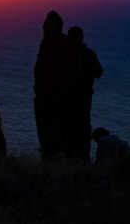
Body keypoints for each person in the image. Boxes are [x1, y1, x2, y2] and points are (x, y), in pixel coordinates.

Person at [33, 10, 77, 160]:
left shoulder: (48, 42)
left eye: (45, 24)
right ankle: (62, 157)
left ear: (53, 26)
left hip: (47, 93)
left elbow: (40, 66)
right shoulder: (69, 42)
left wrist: (38, 87)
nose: (42, 27)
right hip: (65, 94)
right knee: (62, 128)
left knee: (46, 128)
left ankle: (50, 159)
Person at [66, 26, 104, 161]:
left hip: (70, 96)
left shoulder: (66, 54)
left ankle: (72, 156)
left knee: (69, 125)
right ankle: (83, 156)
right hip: (84, 95)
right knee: (83, 125)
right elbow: (99, 72)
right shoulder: (89, 54)